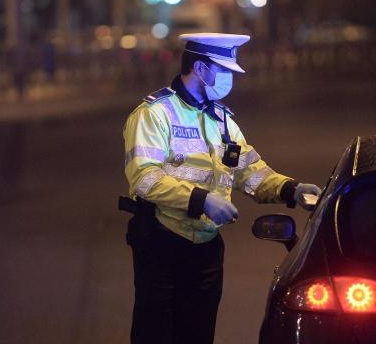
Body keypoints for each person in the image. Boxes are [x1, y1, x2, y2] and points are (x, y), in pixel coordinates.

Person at [122, 33, 322, 344]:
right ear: (200, 68)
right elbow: (145, 178)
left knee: (200, 335)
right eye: (224, 70)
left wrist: (291, 189)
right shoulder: (154, 113)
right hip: (163, 245)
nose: (229, 78)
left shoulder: (223, 120)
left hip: (208, 248)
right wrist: (201, 200)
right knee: (157, 335)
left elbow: (249, 171)